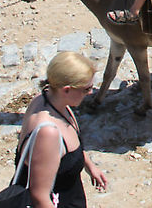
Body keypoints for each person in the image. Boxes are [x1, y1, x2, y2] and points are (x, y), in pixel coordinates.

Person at [15, 52, 108, 208]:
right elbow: (39, 198)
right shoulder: (48, 133)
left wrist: (90, 166)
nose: (90, 93)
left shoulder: (49, 100)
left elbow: (71, 146)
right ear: (66, 90)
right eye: (86, 89)